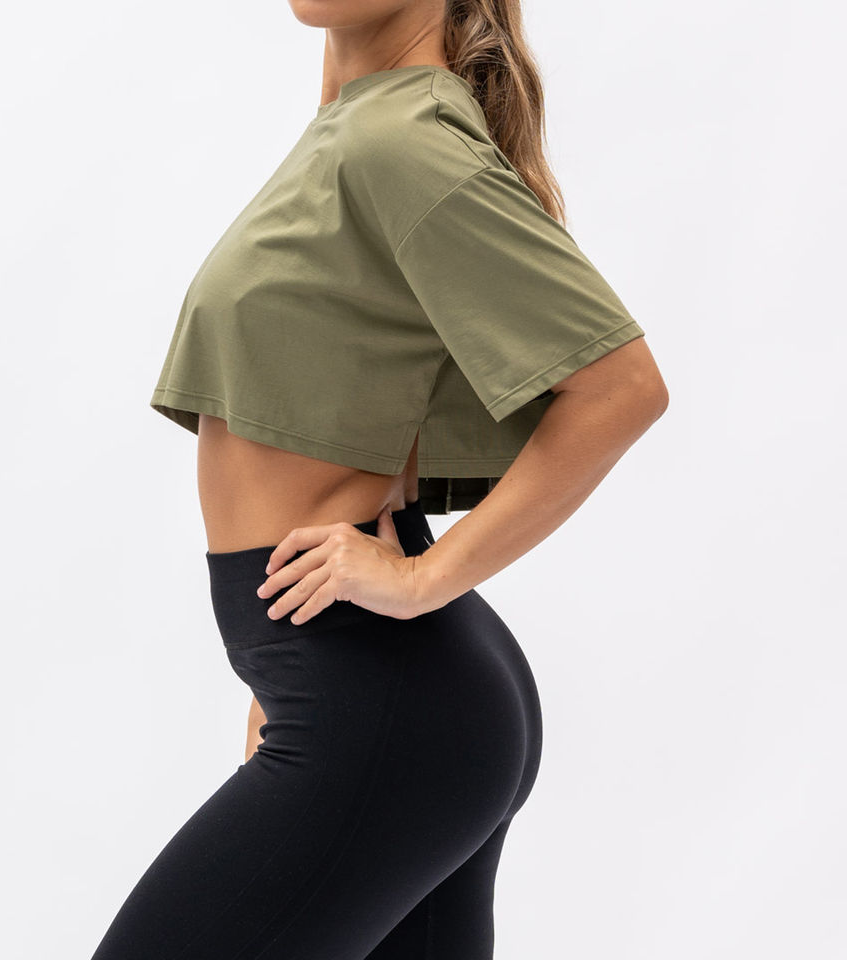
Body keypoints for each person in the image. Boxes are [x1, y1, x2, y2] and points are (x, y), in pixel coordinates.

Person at [89, 1, 668, 958]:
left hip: (384, 705)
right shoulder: (360, 126)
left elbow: (620, 387)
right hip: (379, 691)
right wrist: (284, 674)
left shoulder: (399, 138)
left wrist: (421, 580)